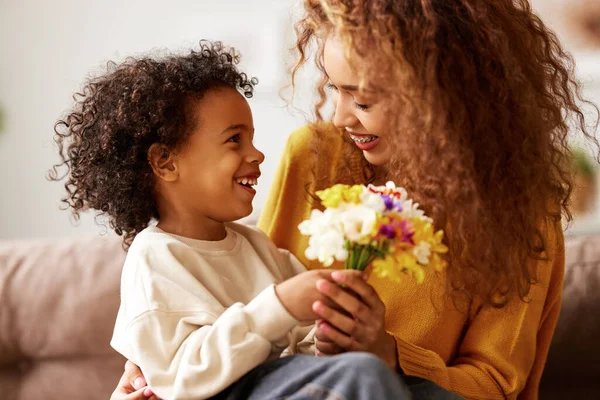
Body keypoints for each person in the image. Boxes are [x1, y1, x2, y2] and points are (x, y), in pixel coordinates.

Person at [113, 0, 600, 399]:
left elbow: (497, 385)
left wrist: (388, 354)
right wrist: (155, 364)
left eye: (363, 100)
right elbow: (245, 300)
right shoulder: (316, 156)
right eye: (332, 89)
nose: (342, 116)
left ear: (442, 99)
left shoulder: (520, 215)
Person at [50, 41, 413, 400]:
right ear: (165, 162)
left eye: (251, 139)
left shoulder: (258, 246)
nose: (256, 154)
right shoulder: (155, 257)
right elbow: (181, 377)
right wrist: (280, 306)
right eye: (234, 140)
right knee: (363, 375)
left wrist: (330, 333)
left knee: (413, 388)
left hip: (284, 385)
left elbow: (304, 346)